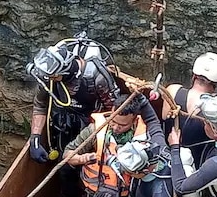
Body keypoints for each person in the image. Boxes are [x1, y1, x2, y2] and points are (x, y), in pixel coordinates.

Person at [26, 34, 161, 162]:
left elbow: (114, 110)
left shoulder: (97, 78)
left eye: (54, 77)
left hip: (92, 128)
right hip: (64, 126)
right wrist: (35, 139)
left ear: (65, 71)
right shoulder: (49, 77)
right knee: (65, 166)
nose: (51, 79)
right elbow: (40, 105)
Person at [63, 98, 162, 197]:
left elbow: (156, 171)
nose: (115, 127)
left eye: (122, 125)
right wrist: (81, 159)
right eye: (113, 121)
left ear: (135, 119)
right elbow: (67, 154)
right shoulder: (95, 130)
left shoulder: (146, 138)